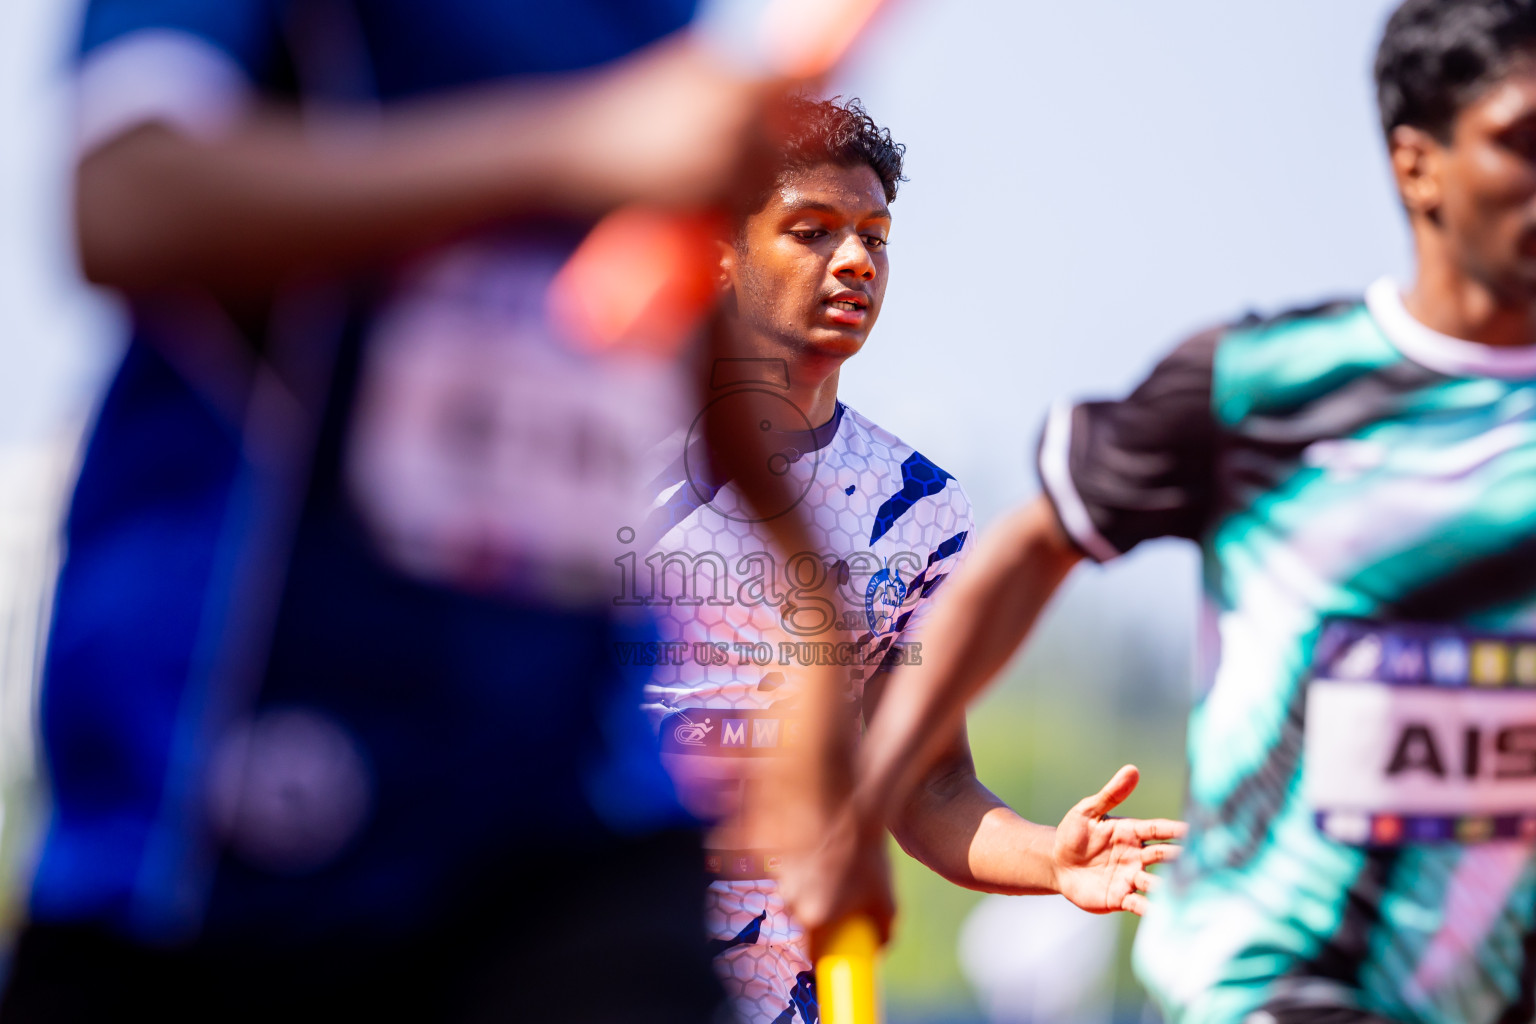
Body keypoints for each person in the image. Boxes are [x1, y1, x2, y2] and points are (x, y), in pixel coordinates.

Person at [1, 3, 879, 1021]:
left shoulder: (649, 17)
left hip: (561, 811)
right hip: (211, 849)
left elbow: (671, 319)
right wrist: (568, 143)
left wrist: (813, 600)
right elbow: (125, 196)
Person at [850, 1, 1536, 1021]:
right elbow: (1034, 548)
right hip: (1282, 979)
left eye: (871, 236)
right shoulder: (1262, 385)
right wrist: (855, 817)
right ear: (1417, 164)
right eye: (1521, 141)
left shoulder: (903, 501)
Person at [638, 96, 1184, 1024]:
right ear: (721, 255)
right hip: (609, 961)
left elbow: (927, 781)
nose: (855, 262)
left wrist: (1052, 857)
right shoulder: (615, 455)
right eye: (812, 232)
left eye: (875, 237)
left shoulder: (918, 505)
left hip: (802, 994)